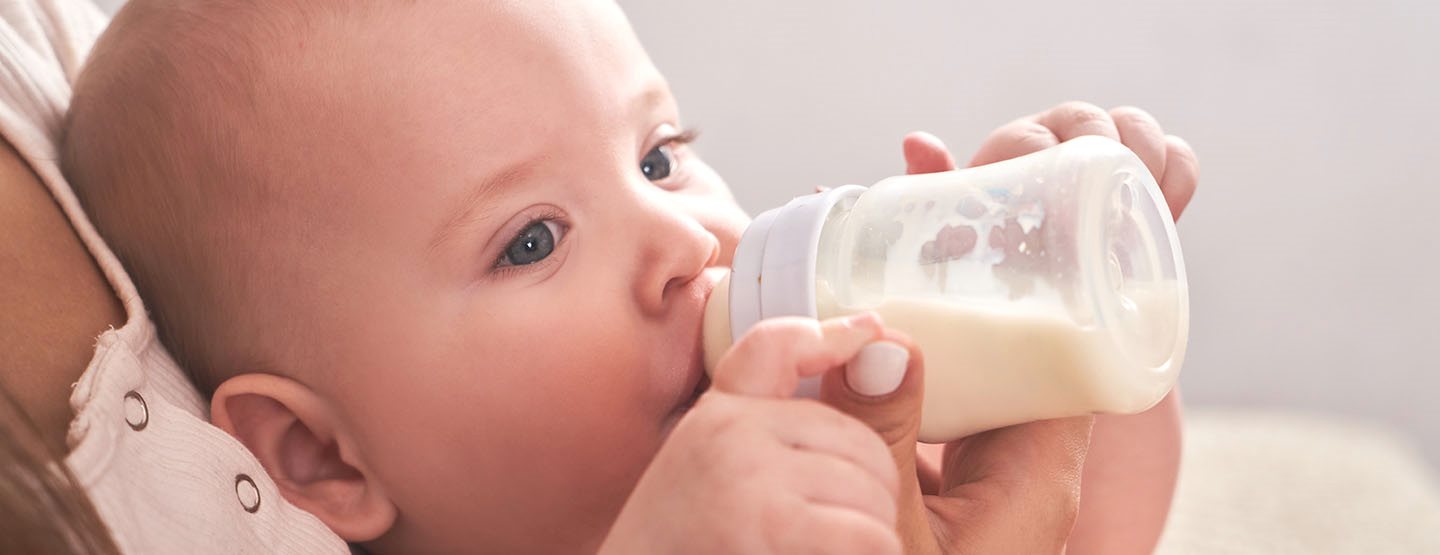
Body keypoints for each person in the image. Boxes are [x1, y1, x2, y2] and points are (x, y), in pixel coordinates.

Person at [38, 0, 1196, 552]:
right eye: (532, 240)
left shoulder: (843, 442)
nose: (684, 243)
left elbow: (1095, 525)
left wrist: (1053, 333)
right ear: (321, 458)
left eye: (658, 157)